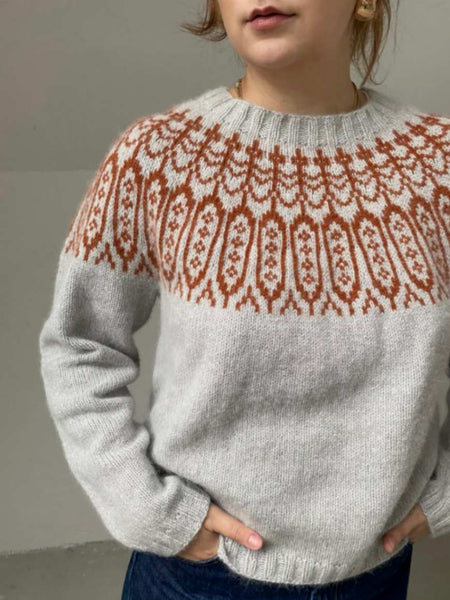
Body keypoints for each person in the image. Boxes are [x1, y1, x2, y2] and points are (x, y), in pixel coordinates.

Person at [38, 1, 450, 599]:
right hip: (197, 575)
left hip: (377, 572)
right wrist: (148, 509)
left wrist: (445, 494)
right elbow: (80, 343)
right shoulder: (159, 158)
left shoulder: (438, 165)